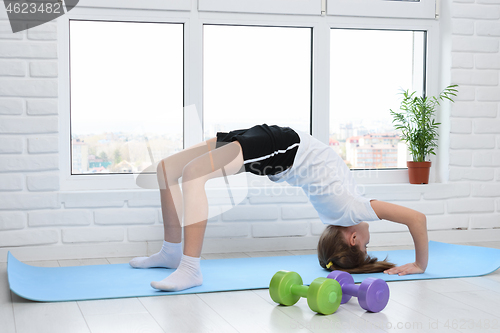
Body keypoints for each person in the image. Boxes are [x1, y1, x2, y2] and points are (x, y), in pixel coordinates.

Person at [129, 124, 428, 292]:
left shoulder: (351, 211)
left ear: (352, 238)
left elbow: (417, 219)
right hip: (278, 141)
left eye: (366, 242)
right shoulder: (336, 214)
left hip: (283, 147)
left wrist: (420, 264)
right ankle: (171, 253)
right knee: (166, 169)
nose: (367, 233)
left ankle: (190, 268)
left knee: (192, 174)